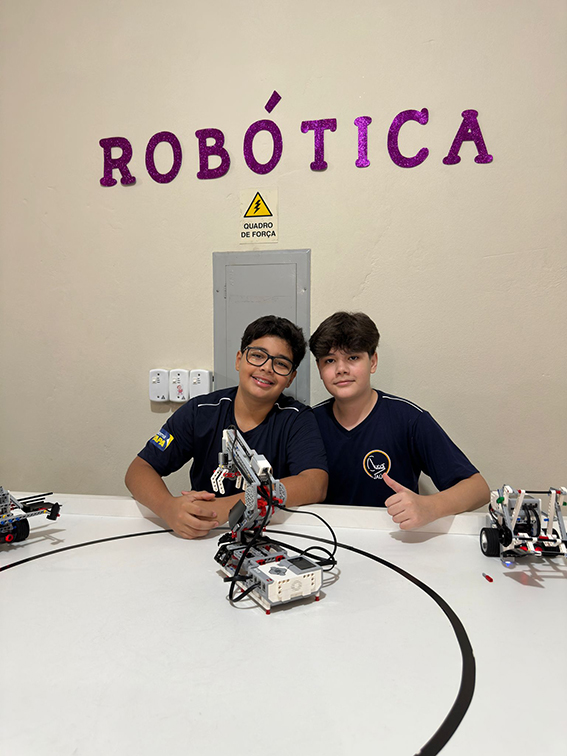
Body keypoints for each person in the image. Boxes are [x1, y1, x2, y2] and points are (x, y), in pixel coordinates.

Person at [125, 315, 328, 539]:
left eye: (281, 363)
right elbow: (139, 469)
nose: (267, 368)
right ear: (239, 360)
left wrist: (229, 507)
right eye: (257, 355)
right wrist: (168, 507)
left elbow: (315, 484)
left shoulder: (297, 419)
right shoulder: (200, 411)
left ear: (291, 378)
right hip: (202, 534)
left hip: (271, 534)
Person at [309, 311, 489, 530]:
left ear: (373, 362)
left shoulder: (408, 419)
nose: (341, 369)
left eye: (353, 358)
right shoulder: (308, 424)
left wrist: (430, 506)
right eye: (329, 361)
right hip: (326, 539)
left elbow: (478, 489)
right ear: (319, 369)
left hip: (397, 538)